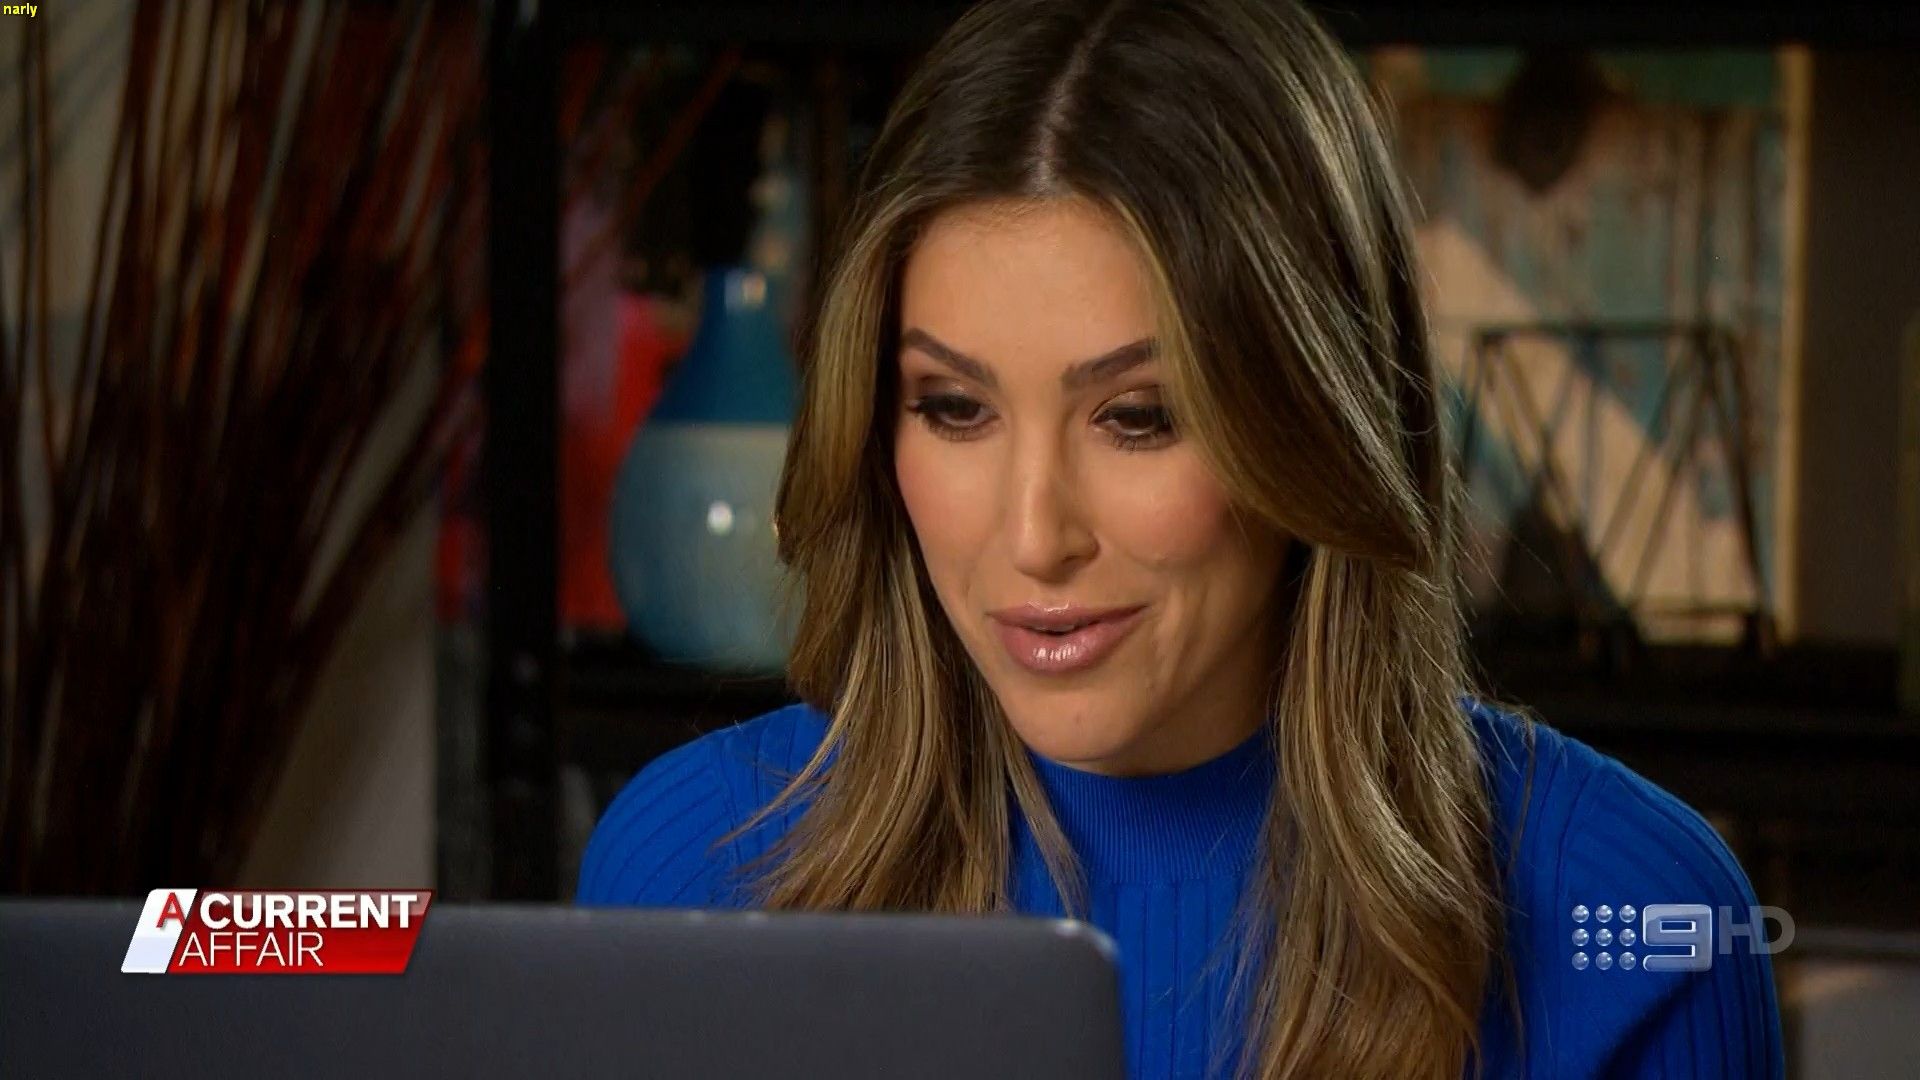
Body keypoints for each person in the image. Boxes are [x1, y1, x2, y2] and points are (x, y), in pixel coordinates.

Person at [578, 1, 1784, 1076]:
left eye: (1138, 417)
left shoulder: (1641, 927)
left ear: (1314, 423)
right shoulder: (689, 873)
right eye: (954, 408)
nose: (1034, 535)